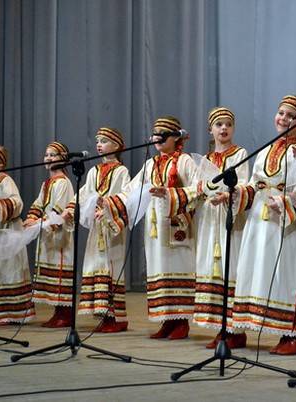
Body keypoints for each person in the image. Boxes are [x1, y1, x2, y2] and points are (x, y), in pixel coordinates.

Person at [231, 95, 296, 355]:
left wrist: (285, 202)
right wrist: (237, 193)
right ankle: (255, 324)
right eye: (281, 113)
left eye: (291, 116)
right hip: (258, 219)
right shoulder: (266, 149)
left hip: (284, 222)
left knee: (285, 271)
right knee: (256, 268)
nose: (283, 118)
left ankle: (294, 335)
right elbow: (254, 184)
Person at [106, 116, 197, 340]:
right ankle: (166, 320)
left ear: (175, 137)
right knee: (158, 268)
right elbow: (131, 190)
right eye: (155, 133)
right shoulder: (150, 164)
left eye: (162, 133)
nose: (157, 137)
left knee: (177, 268)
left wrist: (170, 193)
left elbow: (198, 189)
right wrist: (108, 203)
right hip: (155, 227)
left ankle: (181, 322)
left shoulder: (185, 161)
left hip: (176, 226)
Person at [64, 128, 130, 333]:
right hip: (97, 227)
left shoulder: (121, 171)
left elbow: (127, 196)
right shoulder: (93, 171)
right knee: (96, 265)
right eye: (98, 141)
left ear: (116, 146)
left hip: (111, 226)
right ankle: (103, 314)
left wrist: (108, 206)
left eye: (104, 141)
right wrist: (70, 209)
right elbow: (84, 193)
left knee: (111, 267)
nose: (99, 145)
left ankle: (116, 317)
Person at [193, 107, 249, 349]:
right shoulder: (205, 160)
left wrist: (227, 196)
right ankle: (220, 327)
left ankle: (235, 330)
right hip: (209, 219)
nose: (224, 128)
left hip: (230, 218)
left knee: (231, 267)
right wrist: (199, 191)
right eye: (219, 124)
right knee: (211, 268)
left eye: (228, 124)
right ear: (210, 129)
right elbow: (197, 186)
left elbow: (244, 183)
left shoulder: (240, 154)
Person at [0, 145, 35, 324]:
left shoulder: (6, 180)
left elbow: (17, 202)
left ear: (1, 163)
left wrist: (2, 204)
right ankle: (1, 314)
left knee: (11, 268)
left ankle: (16, 314)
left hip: (10, 230)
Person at [27, 142, 75, 328]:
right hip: (47, 233)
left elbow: (59, 209)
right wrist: (31, 218)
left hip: (59, 235)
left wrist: (40, 222)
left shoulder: (63, 182)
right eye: (46, 155)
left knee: (60, 272)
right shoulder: (46, 183)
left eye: (53, 155)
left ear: (63, 158)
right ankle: (58, 312)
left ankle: (65, 314)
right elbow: (38, 204)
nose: (48, 158)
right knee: (50, 273)